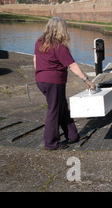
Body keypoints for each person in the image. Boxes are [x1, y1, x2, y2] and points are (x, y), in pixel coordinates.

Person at [33, 17, 95, 150]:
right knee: (54, 111)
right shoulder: (59, 46)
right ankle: (51, 143)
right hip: (54, 81)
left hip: (41, 80)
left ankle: (72, 136)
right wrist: (86, 79)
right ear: (62, 30)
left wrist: (41, 74)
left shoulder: (39, 42)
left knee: (62, 108)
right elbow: (72, 65)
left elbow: (35, 60)